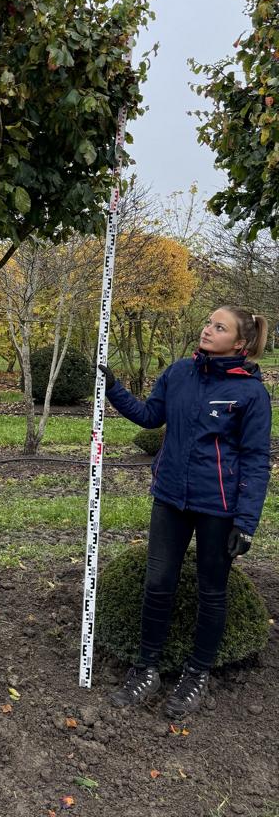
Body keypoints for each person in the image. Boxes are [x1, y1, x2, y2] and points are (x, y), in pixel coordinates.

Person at [99, 306, 272, 719]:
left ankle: (197, 673)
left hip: (219, 508)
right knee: (158, 583)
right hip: (170, 498)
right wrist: (112, 388)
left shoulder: (251, 393)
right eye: (208, 322)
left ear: (240, 343)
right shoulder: (179, 373)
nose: (207, 329)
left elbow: (255, 458)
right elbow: (149, 416)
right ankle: (146, 667)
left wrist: (245, 522)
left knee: (212, 592)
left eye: (219, 327)